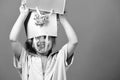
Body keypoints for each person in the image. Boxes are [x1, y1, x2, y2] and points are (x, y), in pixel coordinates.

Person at [9, 2, 78, 80]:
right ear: (31, 43)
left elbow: (74, 42)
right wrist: (23, 15)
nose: (42, 41)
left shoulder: (60, 58)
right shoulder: (25, 59)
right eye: (37, 38)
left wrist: (62, 18)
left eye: (45, 37)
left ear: (52, 42)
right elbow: (13, 39)